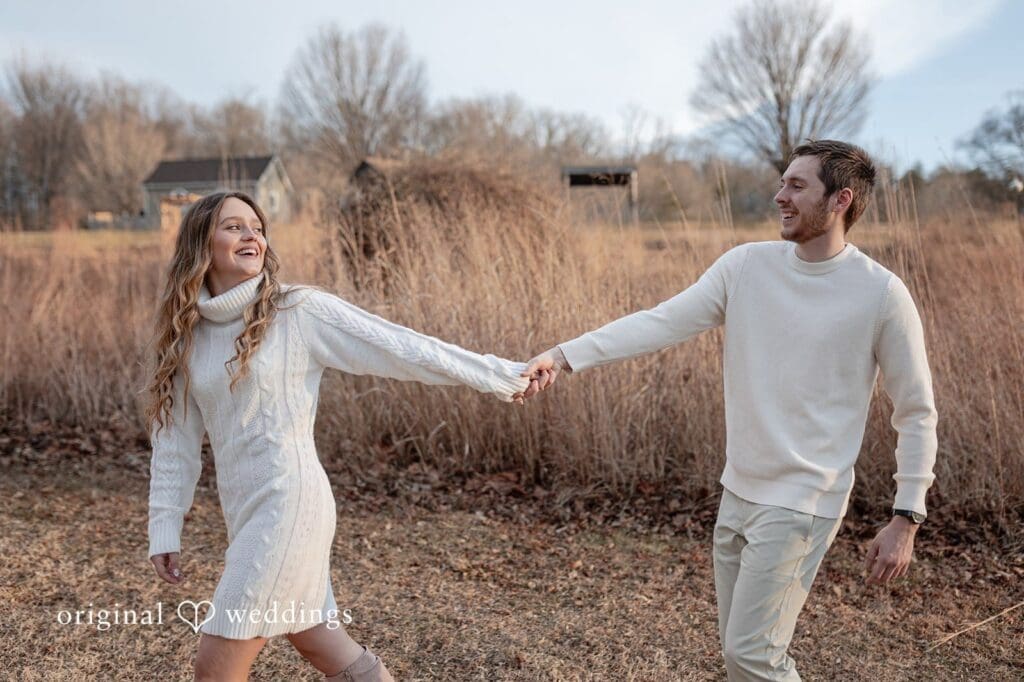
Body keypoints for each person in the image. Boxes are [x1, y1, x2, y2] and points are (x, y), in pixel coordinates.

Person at [520, 140, 938, 680]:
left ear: (841, 200)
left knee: (752, 656)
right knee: (742, 657)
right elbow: (659, 321)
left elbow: (916, 411)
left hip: (802, 504)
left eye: (796, 185)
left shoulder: (881, 294)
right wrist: (562, 355)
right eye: (782, 182)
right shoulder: (746, 267)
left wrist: (908, 516)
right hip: (738, 492)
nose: (779, 195)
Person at [143, 191, 531, 681]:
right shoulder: (189, 336)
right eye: (234, 226)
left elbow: (401, 347)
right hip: (243, 510)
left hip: (290, 503)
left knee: (215, 666)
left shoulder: (296, 311)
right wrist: (165, 525)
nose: (251, 235)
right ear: (202, 243)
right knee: (320, 640)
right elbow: (173, 442)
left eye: (257, 227)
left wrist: (498, 375)